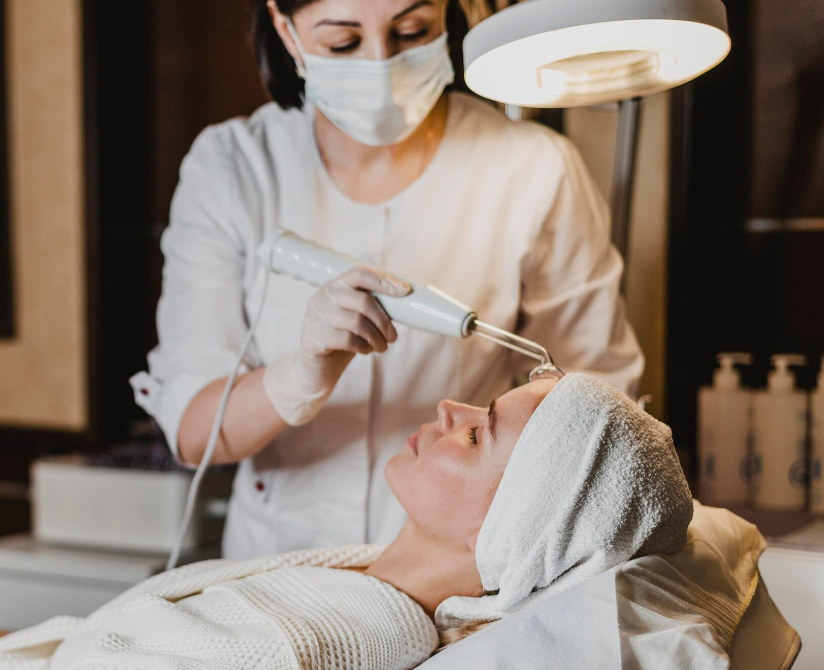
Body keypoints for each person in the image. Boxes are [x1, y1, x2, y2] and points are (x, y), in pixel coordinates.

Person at [130, 0, 645, 560]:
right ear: (286, 28)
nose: (380, 65)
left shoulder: (532, 170)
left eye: (411, 31)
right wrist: (301, 375)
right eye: (343, 42)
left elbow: (596, 414)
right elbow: (194, 434)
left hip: (456, 571)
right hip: (278, 565)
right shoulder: (233, 168)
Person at [0, 374, 693, 670]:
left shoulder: (343, 635)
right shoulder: (363, 577)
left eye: (478, 435)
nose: (450, 408)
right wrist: (13, 646)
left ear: (510, 528)